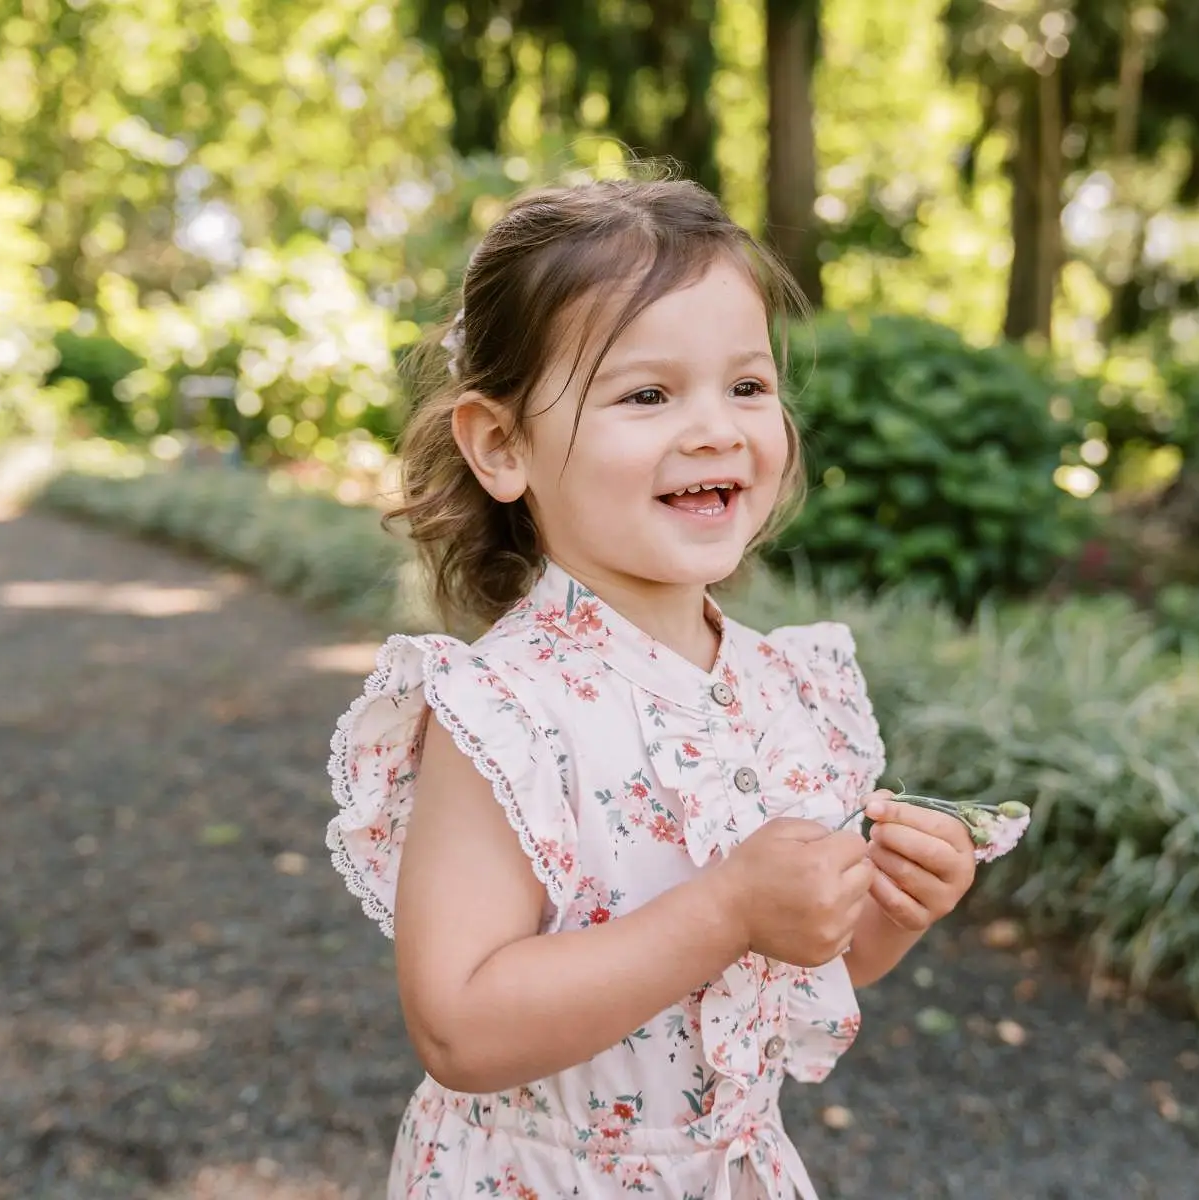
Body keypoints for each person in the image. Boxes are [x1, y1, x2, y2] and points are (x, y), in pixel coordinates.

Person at [325, 173, 995, 1199]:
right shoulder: (505, 713)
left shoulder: (787, 689)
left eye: (748, 386)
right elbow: (457, 1027)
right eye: (648, 394)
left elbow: (799, 965)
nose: (718, 429)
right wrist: (724, 908)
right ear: (503, 444)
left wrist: (890, 911)